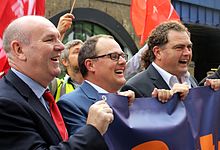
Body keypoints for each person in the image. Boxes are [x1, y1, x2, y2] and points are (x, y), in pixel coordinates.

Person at [0, 15, 113, 149]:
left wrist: (119, 103)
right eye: (49, 40)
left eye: (59, 39)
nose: (61, 46)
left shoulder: (40, 96)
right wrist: (92, 130)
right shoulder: (5, 103)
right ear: (19, 50)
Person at [121, 20, 199, 98]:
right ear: (158, 52)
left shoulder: (191, 80)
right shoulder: (136, 87)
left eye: (189, 47)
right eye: (179, 47)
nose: (187, 53)